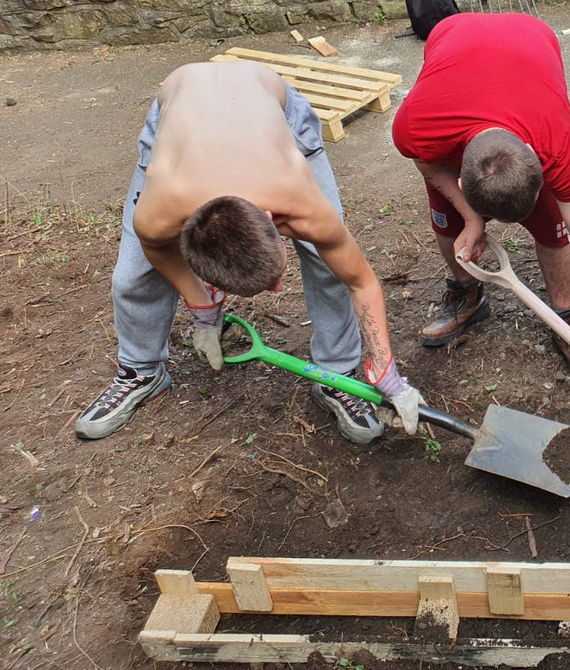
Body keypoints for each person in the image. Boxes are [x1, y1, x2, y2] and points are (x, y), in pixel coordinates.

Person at [76, 62, 422, 444]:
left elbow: (360, 280)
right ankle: (140, 370)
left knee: (328, 263)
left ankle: (337, 375)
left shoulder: (297, 196)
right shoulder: (160, 211)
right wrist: (203, 308)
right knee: (132, 274)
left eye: (274, 275)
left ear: (273, 221)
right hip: (179, 110)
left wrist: (386, 371)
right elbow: (159, 251)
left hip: (269, 105)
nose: (278, 288)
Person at [392, 11, 570, 381]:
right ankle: (468, 294)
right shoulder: (417, 125)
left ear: (536, 159)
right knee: (447, 219)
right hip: (452, 34)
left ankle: (563, 315)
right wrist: (470, 216)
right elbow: (424, 159)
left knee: (553, 225)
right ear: (463, 181)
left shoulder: (557, 143)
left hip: (532, 36)